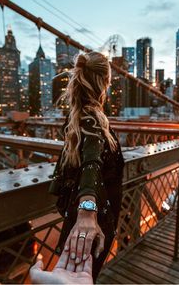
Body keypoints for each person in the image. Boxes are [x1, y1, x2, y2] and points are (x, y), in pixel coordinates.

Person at [53, 51, 125, 282]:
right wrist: (87, 212)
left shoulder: (77, 117)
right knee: (80, 279)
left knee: (71, 278)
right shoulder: (93, 119)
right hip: (93, 225)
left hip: (82, 223)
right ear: (105, 82)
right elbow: (91, 163)